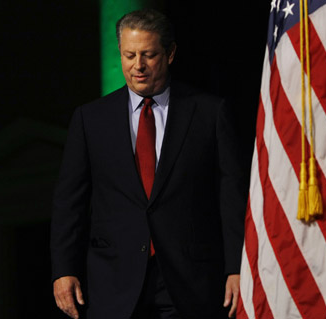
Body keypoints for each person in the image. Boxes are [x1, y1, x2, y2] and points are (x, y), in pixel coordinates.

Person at [51, 8, 247, 319]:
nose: (138, 66)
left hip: (189, 281)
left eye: (148, 55)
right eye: (129, 55)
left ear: (170, 53)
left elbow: (231, 196)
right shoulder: (90, 119)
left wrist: (237, 267)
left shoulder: (209, 113)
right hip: (113, 281)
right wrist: (63, 270)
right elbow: (69, 202)